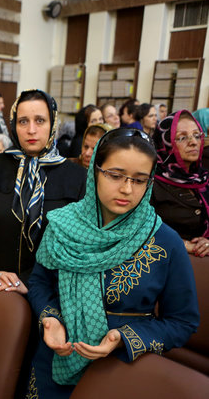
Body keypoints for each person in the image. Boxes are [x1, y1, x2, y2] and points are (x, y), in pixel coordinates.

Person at [27, 128, 199, 398]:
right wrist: (50, 319)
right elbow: (39, 282)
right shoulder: (62, 225)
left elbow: (182, 321)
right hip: (56, 358)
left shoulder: (166, 242)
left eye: (140, 180)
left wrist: (123, 338)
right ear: (95, 170)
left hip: (121, 370)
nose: (127, 189)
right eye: (115, 175)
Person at [0, 89, 86, 289]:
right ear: (13, 124)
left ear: (53, 123)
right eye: (23, 121)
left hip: (48, 288)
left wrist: (28, 281)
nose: (31, 130)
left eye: (40, 121)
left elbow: (75, 244)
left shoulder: (77, 177)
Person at [151, 110, 209, 257]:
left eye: (197, 135)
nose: (193, 142)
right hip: (163, 262)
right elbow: (138, 229)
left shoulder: (204, 178)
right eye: (182, 137)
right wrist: (184, 244)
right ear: (165, 143)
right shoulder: (149, 182)